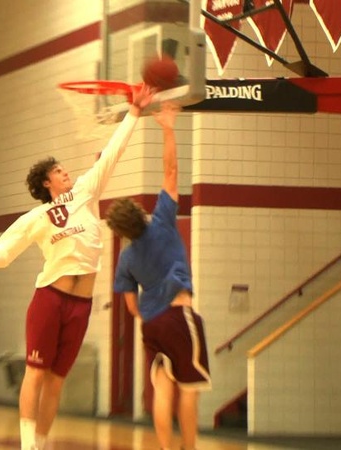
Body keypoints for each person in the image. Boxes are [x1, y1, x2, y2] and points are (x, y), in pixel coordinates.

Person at [0, 85, 155, 450]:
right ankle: (28, 445)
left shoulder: (86, 192)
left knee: (57, 381)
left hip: (81, 305)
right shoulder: (35, 217)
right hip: (50, 299)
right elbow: (3, 254)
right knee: (36, 372)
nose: (66, 172)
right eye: (59, 171)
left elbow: (113, 153)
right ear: (47, 183)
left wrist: (135, 113)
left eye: (64, 169)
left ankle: (42, 444)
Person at [105, 103, 211, 450]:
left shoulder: (125, 258)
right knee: (189, 392)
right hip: (179, 316)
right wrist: (167, 127)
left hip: (152, 326)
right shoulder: (163, 220)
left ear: (121, 231)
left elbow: (131, 307)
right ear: (139, 211)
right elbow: (171, 170)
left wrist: (152, 309)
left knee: (162, 391)